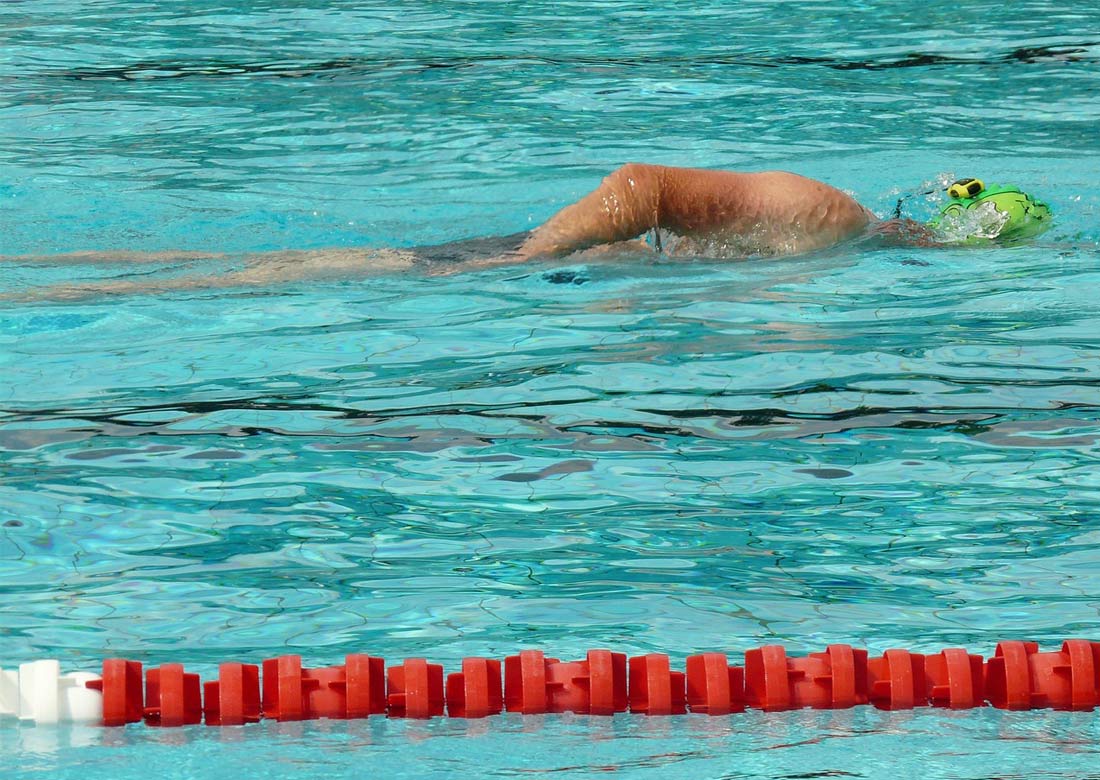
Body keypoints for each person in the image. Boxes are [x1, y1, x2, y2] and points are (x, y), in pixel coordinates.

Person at [3, 165, 1052, 300]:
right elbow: (643, 184)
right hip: (534, 251)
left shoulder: (841, 249)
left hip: (551, 256)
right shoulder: (827, 215)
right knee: (271, 276)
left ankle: (52, 274)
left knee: (260, 270)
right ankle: (47, 288)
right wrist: (526, 259)